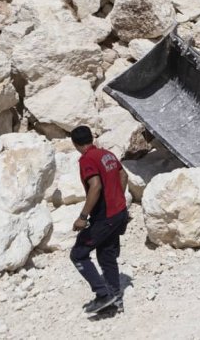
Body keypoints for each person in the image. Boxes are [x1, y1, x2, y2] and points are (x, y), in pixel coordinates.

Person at [70, 126, 130, 315]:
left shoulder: (87, 159)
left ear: (75, 144)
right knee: (106, 255)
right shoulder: (107, 154)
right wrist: (118, 197)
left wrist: (82, 217)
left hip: (106, 217)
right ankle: (115, 299)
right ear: (92, 138)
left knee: (78, 253)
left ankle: (103, 294)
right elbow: (123, 175)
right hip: (119, 213)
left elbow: (95, 186)